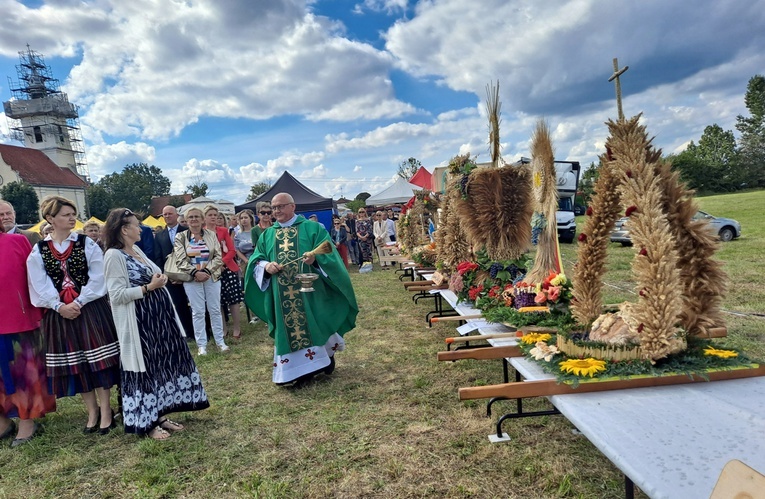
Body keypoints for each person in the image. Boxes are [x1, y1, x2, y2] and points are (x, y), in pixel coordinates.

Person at [102, 208, 210, 440]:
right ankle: (146, 422)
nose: (140, 228)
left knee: (160, 366)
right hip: (140, 322)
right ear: (124, 229)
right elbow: (116, 295)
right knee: (146, 370)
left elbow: (153, 275)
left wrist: (159, 280)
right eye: (135, 224)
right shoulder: (114, 255)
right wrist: (148, 288)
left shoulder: (136, 249)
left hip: (158, 320)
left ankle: (160, 415)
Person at [27, 195, 120, 435]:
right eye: (66, 215)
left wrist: (78, 301)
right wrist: (59, 306)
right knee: (76, 363)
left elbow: (99, 276)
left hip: (89, 308)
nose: (72, 218)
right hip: (59, 314)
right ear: (50, 218)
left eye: (72, 213)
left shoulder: (85, 243)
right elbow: (38, 284)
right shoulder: (38, 251)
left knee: (98, 362)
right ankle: (92, 411)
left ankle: (107, 411)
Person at [244, 193, 358, 387]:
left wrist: (315, 260)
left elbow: (329, 254)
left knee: (317, 323)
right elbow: (257, 258)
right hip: (282, 295)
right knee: (291, 328)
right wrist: (265, 266)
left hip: (312, 291)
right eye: (274, 208)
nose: (276, 211)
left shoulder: (312, 229)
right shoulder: (268, 234)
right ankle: (300, 370)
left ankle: (325, 359)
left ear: (293, 207)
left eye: (280, 207)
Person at [0, 224, 57, 447]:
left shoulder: (17, 242)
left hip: (18, 320)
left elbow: (35, 279)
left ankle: (28, 420)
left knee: (24, 374)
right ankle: (3, 422)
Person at [173, 207, 228, 355]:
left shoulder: (211, 234)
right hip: (192, 279)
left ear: (202, 219)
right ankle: (201, 345)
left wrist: (207, 271)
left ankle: (220, 341)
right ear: (186, 220)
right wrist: (195, 273)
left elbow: (218, 256)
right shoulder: (181, 237)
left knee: (215, 309)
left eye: (197, 216)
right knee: (198, 312)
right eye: (190, 217)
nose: (194, 219)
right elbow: (180, 260)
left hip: (211, 277)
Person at [152, 205, 194, 337]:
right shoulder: (159, 236)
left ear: (176, 215)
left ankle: (204, 330)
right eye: (165, 214)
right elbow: (158, 256)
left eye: (170, 213)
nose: (167, 216)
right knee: (179, 305)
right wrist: (166, 275)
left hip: (189, 273)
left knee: (195, 304)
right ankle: (188, 332)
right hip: (171, 276)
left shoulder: (187, 231)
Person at [204, 206, 243, 340]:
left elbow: (231, 250)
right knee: (218, 301)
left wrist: (221, 263)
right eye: (210, 215)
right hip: (211, 270)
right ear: (205, 217)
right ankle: (223, 329)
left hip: (228, 268)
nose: (213, 217)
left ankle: (237, 327)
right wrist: (214, 266)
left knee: (233, 300)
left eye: (215, 215)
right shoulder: (201, 233)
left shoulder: (223, 231)